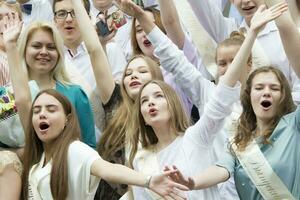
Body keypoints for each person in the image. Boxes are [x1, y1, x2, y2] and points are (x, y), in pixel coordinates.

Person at [166, 2, 300, 200]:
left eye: (274, 88)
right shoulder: (240, 140)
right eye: (259, 88)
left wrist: (280, 24)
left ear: (284, 95)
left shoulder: (294, 125)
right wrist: (191, 182)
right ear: (248, 94)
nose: (266, 93)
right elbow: (221, 170)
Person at [71, 0, 165, 199]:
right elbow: (95, 50)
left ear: (157, 79)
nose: (133, 76)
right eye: (128, 72)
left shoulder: (166, 115)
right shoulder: (115, 102)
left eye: (142, 71)